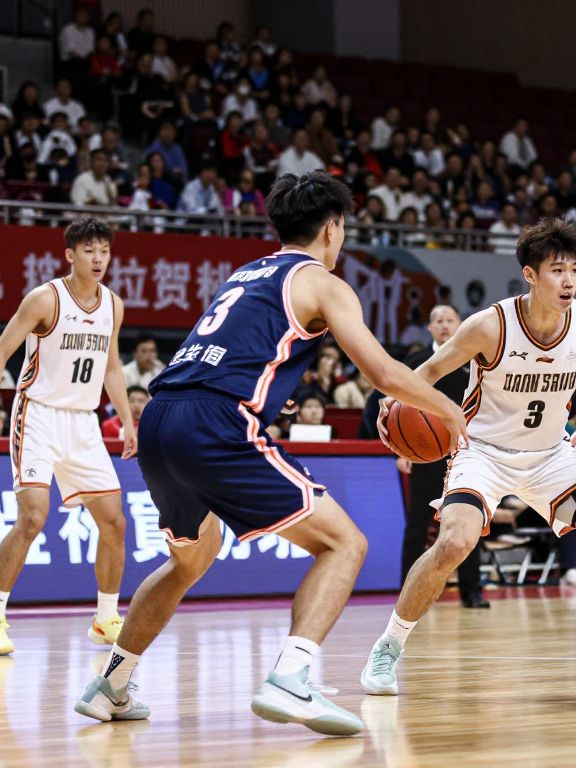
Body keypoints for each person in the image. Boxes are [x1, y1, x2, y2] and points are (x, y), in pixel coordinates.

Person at [73, 171, 467, 734]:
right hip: (214, 421)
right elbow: (381, 371)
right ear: (332, 229)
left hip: (160, 415)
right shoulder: (323, 282)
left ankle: (111, 683)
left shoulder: (245, 272)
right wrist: (449, 411)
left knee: (189, 558)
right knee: (344, 544)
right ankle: (292, 677)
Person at [361, 219, 576, 696]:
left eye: (575, 270)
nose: (570, 280)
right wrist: (393, 405)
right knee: (453, 543)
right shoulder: (489, 326)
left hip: (552, 454)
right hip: (484, 453)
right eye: (558, 270)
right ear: (531, 275)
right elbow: (428, 371)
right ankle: (387, 649)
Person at [0, 219, 137, 656]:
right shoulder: (45, 298)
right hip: (37, 413)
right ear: (70, 256)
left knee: (115, 522)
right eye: (89, 250)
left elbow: (112, 367)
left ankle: (104, 619)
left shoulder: (113, 304)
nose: (98, 259)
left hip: (83, 422)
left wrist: (128, 420)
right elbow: (4, 347)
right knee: (33, 519)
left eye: (104, 251)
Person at [394, 304, 490, 608]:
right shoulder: (417, 362)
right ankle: (407, 591)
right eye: (438, 320)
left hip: (466, 452)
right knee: (417, 524)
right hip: (425, 452)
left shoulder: (476, 358)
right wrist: (400, 448)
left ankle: (471, 591)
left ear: (460, 324)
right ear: (430, 329)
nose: (445, 325)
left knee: (468, 521)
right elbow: (390, 405)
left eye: (450, 320)